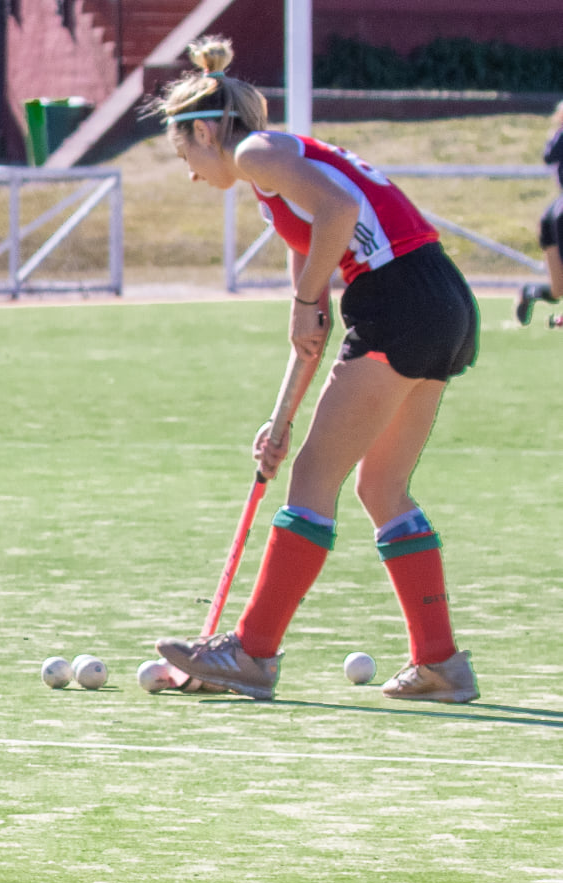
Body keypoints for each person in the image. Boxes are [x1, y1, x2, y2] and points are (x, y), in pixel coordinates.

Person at [147, 37, 480, 703]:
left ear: (207, 131)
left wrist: (304, 301)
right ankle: (442, 665)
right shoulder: (280, 192)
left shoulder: (257, 152)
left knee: (314, 479)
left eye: (185, 152)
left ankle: (253, 653)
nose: (189, 171)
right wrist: (280, 422)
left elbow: (342, 215)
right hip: (441, 300)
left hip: (399, 300)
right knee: (381, 487)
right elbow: (314, 332)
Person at [514, 100, 563, 329]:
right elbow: (548, 156)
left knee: (557, 290)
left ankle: (529, 292)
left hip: (554, 214)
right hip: (556, 215)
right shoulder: (560, 138)